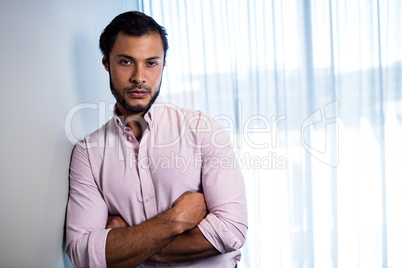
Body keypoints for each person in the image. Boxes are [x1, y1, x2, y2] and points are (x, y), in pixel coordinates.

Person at [65, 11, 247, 267]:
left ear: (163, 64)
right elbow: (82, 253)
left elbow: (231, 232)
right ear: (106, 62)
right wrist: (176, 219)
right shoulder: (88, 153)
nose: (139, 77)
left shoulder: (203, 129)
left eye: (151, 63)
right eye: (126, 62)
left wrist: (126, 239)